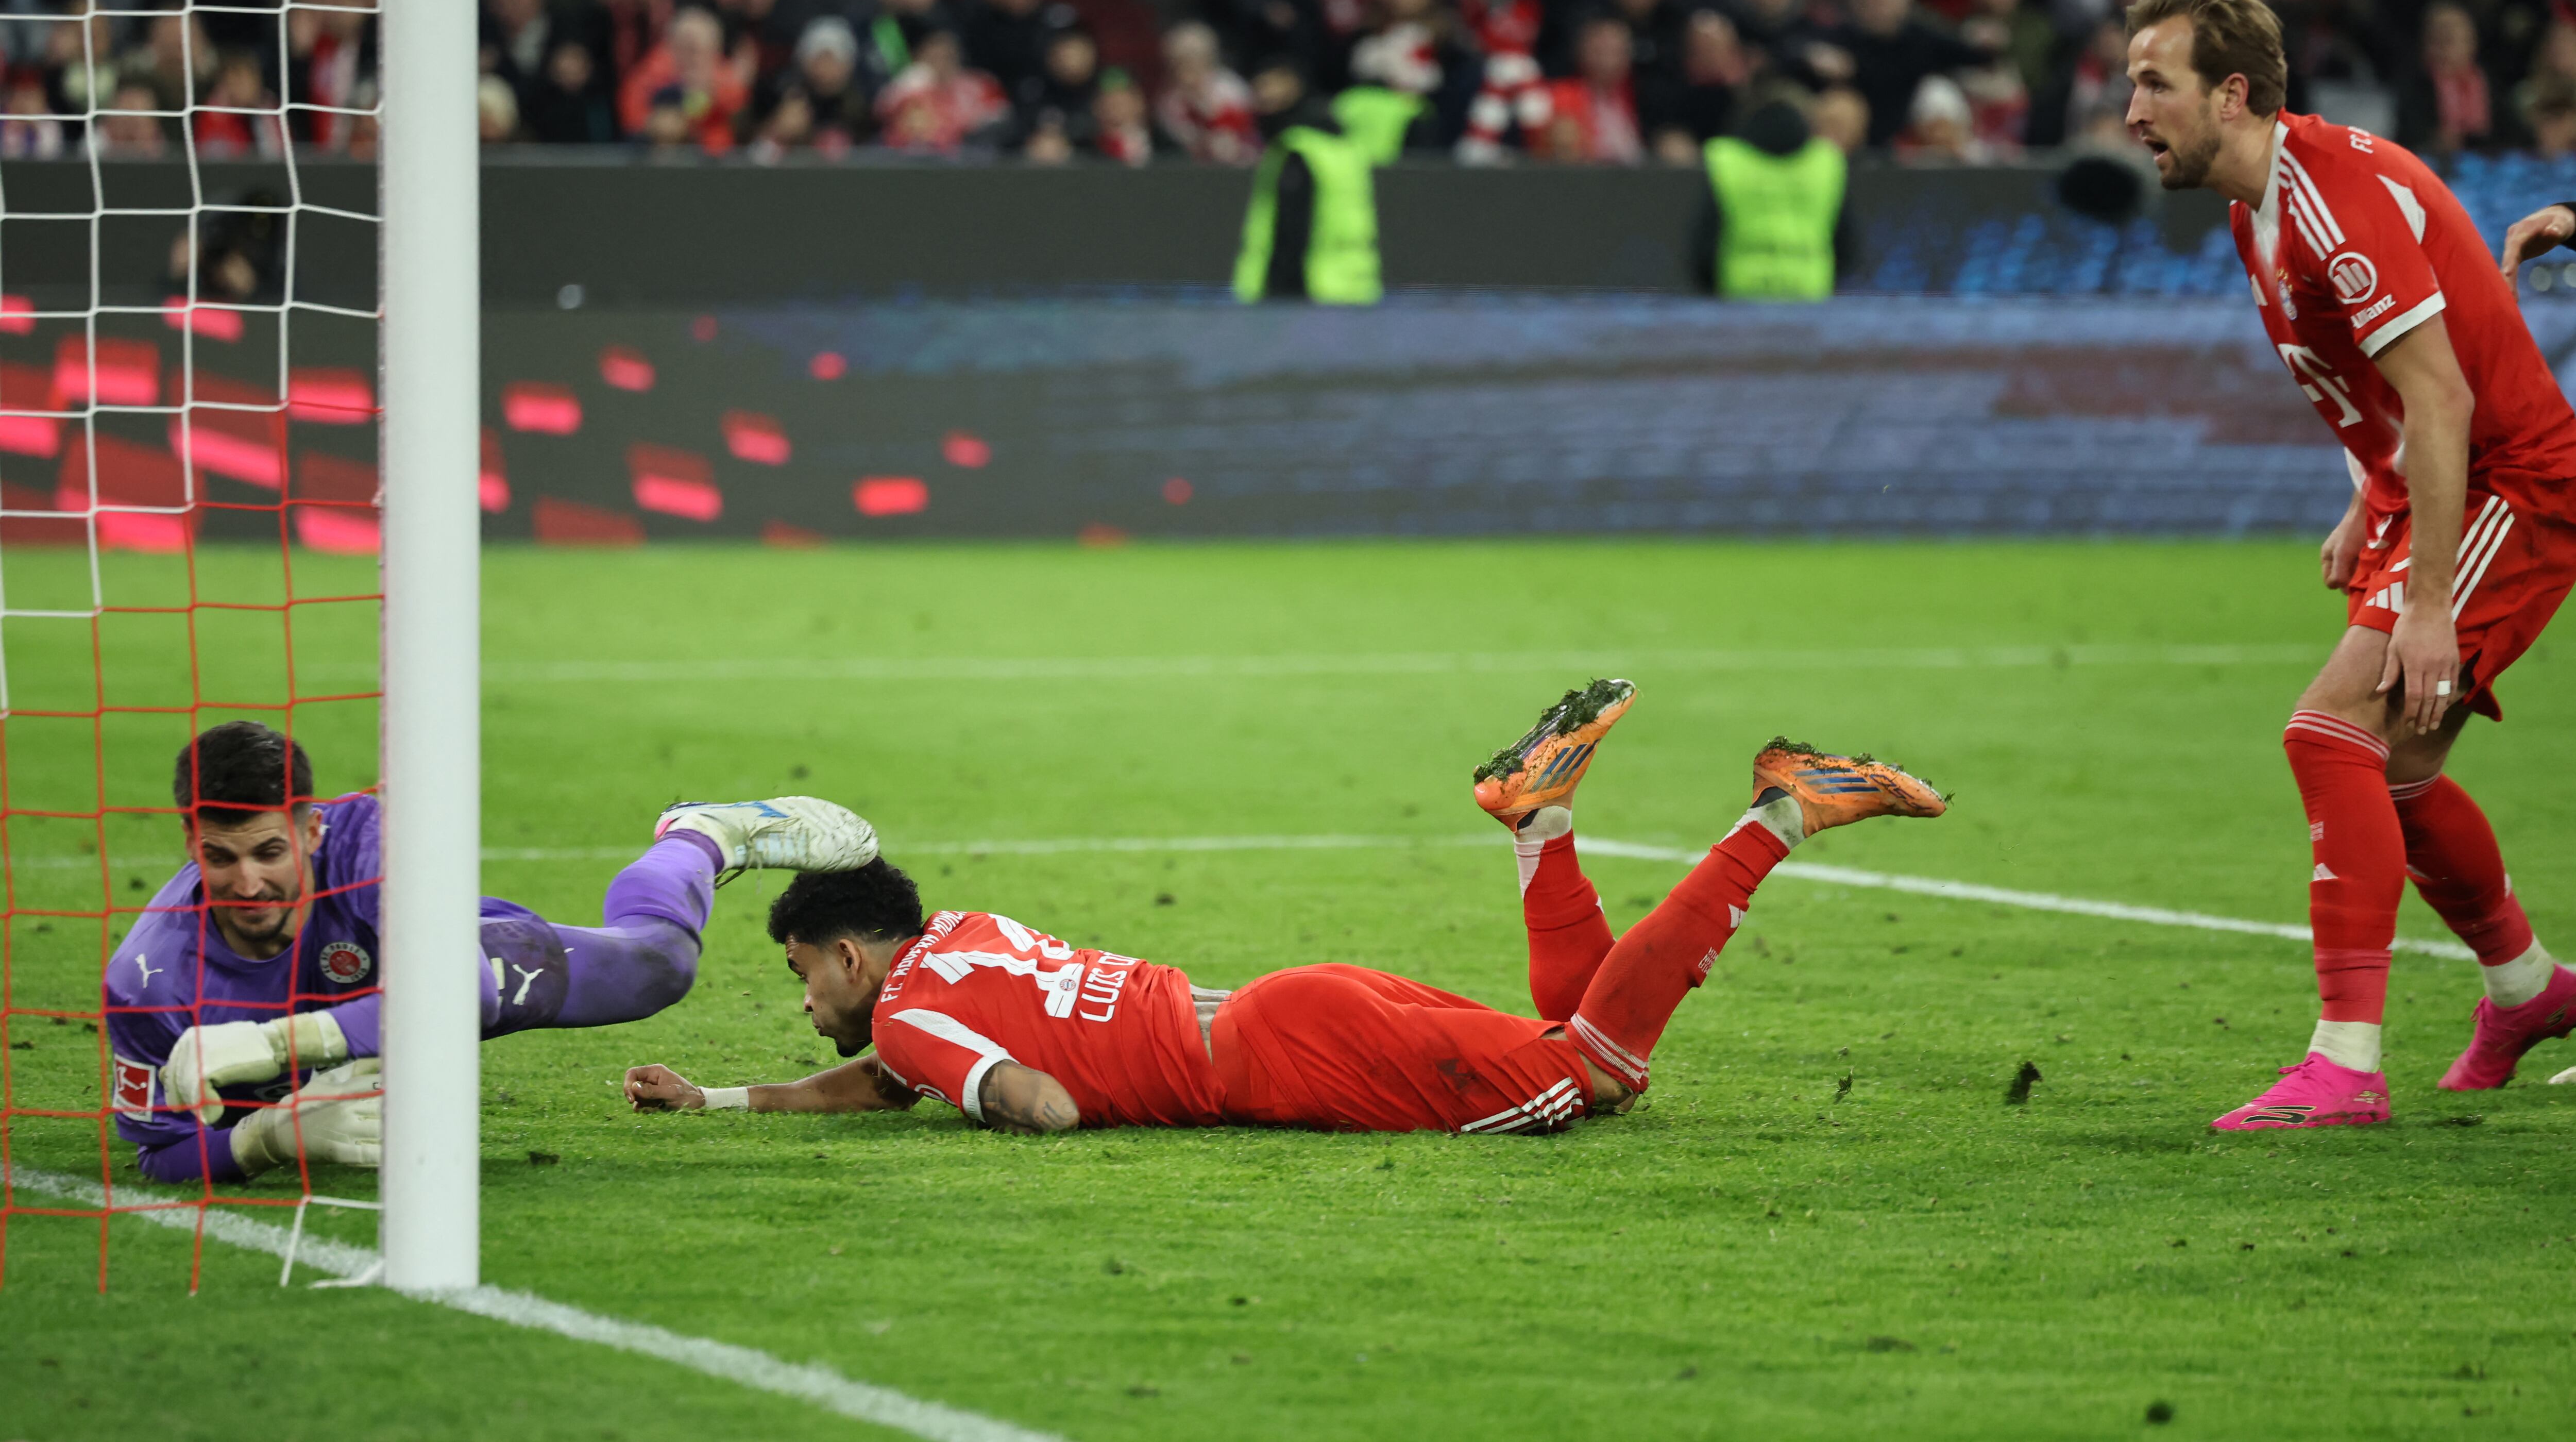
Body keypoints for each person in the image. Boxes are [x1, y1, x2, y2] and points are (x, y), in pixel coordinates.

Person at [623, 683, 1945, 1134]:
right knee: (1566, 1033)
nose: (808, 1005)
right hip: (1286, 1001)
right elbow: (890, 1074)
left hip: (1283, 1060)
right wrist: (724, 1101)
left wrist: (993, 1107)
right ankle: (1540, 821)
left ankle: (1779, 814)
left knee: (1600, 1070)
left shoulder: (912, 1024)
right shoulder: (960, 936)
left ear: (849, 955)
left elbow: (1044, 1104)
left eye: (803, 978)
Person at [2121, 0, 2576, 1130]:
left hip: (2514, 483)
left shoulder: (2330, 197)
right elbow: (2377, 393)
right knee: (2398, 772)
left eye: (2154, 83)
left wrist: (2427, 605)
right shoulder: (2256, 210)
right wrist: (2368, 500)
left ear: (2231, 94)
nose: (2131, 111)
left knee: (2330, 733)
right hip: (2437, 485)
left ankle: (2346, 1063)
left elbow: (2443, 397)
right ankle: (2529, 990)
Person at [107, 720, 871, 1183]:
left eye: (270, 852)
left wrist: (277, 1043)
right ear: (190, 841)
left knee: (659, 967)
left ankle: (699, 835)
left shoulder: (367, 840)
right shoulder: (147, 983)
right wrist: (263, 1141)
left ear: (311, 830)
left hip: (434, 962)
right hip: (362, 1026)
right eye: (221, 857)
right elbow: (160, 1154)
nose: (249, 883)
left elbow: (459, 989)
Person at [1230, 63, 1383, 304]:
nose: (1262, 95)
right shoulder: (1341, 146)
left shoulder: (1297, 149)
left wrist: (1276, 288)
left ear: (1295, 87)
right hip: (1348, 287)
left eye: (1271, 85)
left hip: (1305, 290)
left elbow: (1291, 227)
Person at [1693, 96, 1853, 298]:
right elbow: (1846, 240)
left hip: (1741, 290)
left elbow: (1706, 238)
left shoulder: (1725, 160)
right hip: (1810, 289)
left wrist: (1711, 287)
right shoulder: (1827, 162)